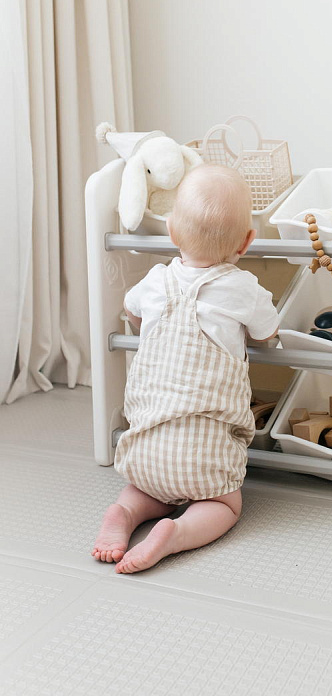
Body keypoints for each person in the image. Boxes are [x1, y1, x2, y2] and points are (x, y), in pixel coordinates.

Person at [92, 164, 279, 573]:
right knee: (224, 504)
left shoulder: (155, 280)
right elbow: (268, 333)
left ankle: (125, 512)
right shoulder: (243, 288)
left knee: (143, 493)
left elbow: (131, 311)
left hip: (142, 451)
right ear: (248, 241)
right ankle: (176, 534)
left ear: (172, 232)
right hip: (203, 457)